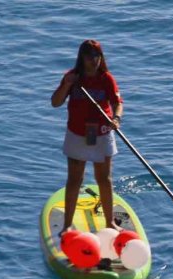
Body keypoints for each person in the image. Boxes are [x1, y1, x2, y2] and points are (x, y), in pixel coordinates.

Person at [51, 39, 123, 235]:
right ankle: (67, 225)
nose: (94, 60)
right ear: (81, 58)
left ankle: (109, 223)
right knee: (75, 179)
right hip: (77, 134)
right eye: (89, 56)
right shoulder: (72, 77)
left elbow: (118, 103)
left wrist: (116, 119)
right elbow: (55, 102)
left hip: (101, 134)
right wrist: (66, 85)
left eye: (97, 56)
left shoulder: (107, 79)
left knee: (105, 180)